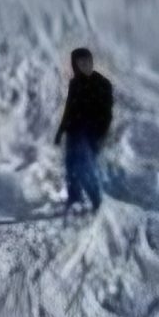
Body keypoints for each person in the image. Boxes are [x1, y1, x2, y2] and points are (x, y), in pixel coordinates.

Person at [54, 47, 114, 213]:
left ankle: (96, 200)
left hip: (90, 134)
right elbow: (69, 109)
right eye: (81, 63)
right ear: (76, 65)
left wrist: (99, 135)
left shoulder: (103, 84)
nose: (85, 65)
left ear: (92, 61)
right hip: (73, 132)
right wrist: (60, 131)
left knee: (85, 168)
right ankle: (74, 198)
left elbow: (107, 114)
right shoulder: (75, 84)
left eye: (88, 61)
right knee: (70, 166)